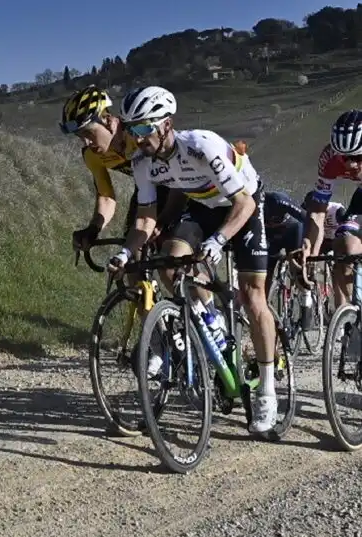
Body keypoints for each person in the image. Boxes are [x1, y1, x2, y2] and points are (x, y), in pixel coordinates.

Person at [107, 86, 277, 434]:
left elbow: (245, 204)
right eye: (130, 129)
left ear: (166, 125)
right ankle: (211, 321)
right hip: (202, 205)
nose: (136, 139)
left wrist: (218, 241)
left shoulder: (202, 146)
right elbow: (145, 219)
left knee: (253, 293)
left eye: (143, 129)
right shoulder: (142, 162)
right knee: (169, 262)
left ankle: (268, 392)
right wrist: (125, 253)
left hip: (243, 204)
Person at [59, 85, 176, 250]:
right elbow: (106, 197)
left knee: (171, 253)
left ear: (107, 120)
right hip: (146, 190)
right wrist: (94, 229)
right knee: (132, 254)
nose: (86, 143)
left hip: (178, 186)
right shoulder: (92, 155)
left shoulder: (139, 136)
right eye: (80, 137)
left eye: (89, 134)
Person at [302, 110, 362, 309]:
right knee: (344, 247)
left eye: (357, 157)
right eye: (344, 157)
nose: (351, 164)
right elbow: (318, 211)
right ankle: (351, 317)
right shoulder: (329, 158)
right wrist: (310, 253)